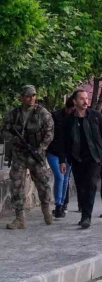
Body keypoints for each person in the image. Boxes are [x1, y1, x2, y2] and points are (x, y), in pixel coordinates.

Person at [2, 85, 55, 229]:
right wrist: (15, 139)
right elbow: (4, 131)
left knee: (43, 184)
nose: (31, 98)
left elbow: (50, 133)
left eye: (33, 95)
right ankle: (19, 218)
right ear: (21, 98)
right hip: (19, 154)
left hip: (35, 153)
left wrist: (40, 149)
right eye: (28, 96)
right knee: (17, 185)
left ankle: (46, 210)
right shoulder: (14, 113)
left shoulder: (43, 113)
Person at [60, 90, 102, 229]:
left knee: (91, 185)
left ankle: (86, 217)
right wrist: (62, 160)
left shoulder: (95, 116)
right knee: (81, 188)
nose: (85, 101)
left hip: (94, 157)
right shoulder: (69, 120)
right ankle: (84, 212)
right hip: (77, 159)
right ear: (75, 101)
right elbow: (63, 142)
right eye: (81, 99)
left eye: (86, 98)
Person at [48, 97, 75, 218]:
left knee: (65, 179)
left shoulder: (77, 118)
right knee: (59, 176)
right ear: (68, 108)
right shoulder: (55, 116)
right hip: (54, 151)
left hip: (68, 153)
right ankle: (58, 204)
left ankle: (63, 203)